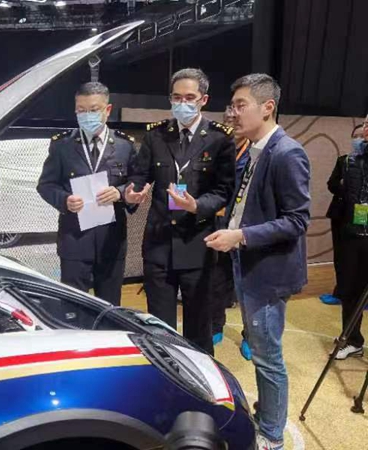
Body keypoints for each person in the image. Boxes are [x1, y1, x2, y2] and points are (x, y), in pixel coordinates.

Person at [205, 74, 311, 450]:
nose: (233, 113)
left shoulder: (286, 153)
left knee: (268, 359)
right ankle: (266, 415)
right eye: (232, 105)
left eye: (241, 105)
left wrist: (241, 236)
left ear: (267, 107)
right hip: (247, 263)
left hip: (268, 272)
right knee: (264, 355)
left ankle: (271, 435)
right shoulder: (254, 150)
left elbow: (298, 220)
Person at [126, 68, 235, 355]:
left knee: (199, 326)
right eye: (176, 97)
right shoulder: (156, 135)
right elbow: (139, 175)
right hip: (159, 243)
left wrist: (196, 205)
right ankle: (166, 373)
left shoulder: (219, 138)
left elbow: (224, 190)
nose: (182, 103)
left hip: (197, 243)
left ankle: (199, 375)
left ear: (203, 100)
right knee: (159, 327)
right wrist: (132, 193)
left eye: (189, 97)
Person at [37, 82, 138, 306]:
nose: (86, 115)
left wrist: (120, 193)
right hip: (74, 239)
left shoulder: (125, 145)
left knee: (109, 306)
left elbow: (136, 183)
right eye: (81, 110)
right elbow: (45, 185)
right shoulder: (62, 145)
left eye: (93, 110)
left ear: (107, 110)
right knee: (73, 307)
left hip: (111, 240)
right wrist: (64, 200)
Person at [211, 106, 253, 360]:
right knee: (217, 279)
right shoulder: (215, 148)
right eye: (227, 120)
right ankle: (216, 325)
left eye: (236, 120)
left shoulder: (255, 153)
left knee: (246, 284)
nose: (232, 124)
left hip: (245, 227)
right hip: (216, 223)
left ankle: (250, 335)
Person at [329, 115, 368, 360]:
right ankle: (352, 339)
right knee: (351, 289)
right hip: (355, 235)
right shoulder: (350, 161)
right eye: (365, 124)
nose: (366, 129)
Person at [320, 123, 365, 306]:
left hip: (363, 215)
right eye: (356, 136)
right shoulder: (344, 161)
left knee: (362, 257)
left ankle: (362, 296)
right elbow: (332, 184)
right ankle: (341, 292)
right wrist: (347, 190)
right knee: (342, 255)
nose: (359, 139)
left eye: (363, 135)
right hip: (341, 214)